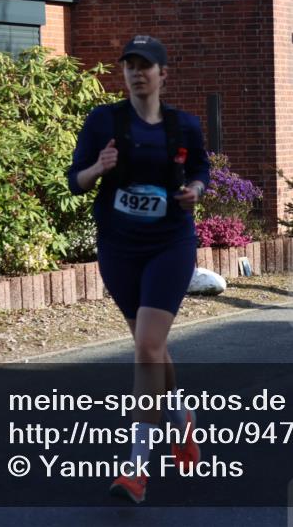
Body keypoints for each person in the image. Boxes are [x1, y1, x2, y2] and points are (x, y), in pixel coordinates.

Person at [67, 35, 210, 504]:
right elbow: (75, 181)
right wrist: (99, 168)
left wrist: (195, 191)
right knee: (151, 347)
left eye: (145, 65)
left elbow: (202, 173)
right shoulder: (103, 121)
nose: (136, 72)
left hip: (170, 243)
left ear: (163, 74)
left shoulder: (183, 126)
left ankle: (136, 467)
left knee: (147, 346)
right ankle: (182, 416)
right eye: (129, 64)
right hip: (119, 247)